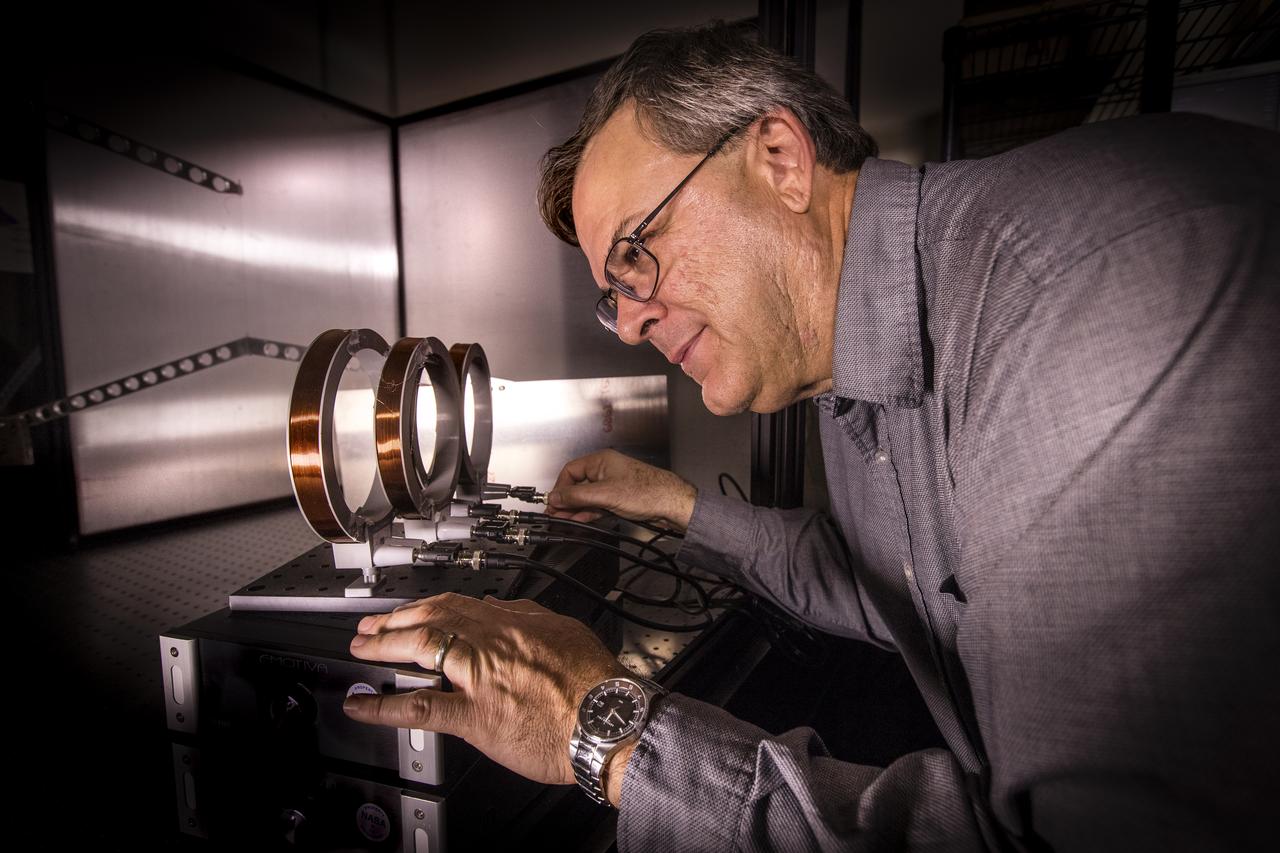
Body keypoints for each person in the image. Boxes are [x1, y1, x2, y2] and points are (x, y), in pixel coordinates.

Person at [342, 22, 1280, 851]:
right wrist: (672, 504)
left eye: (637, 252)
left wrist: (611, 734)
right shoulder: (850, 367)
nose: (629, 323)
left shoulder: (1074, 303)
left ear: (781, 159)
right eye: (612, 294)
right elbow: (882, 582)